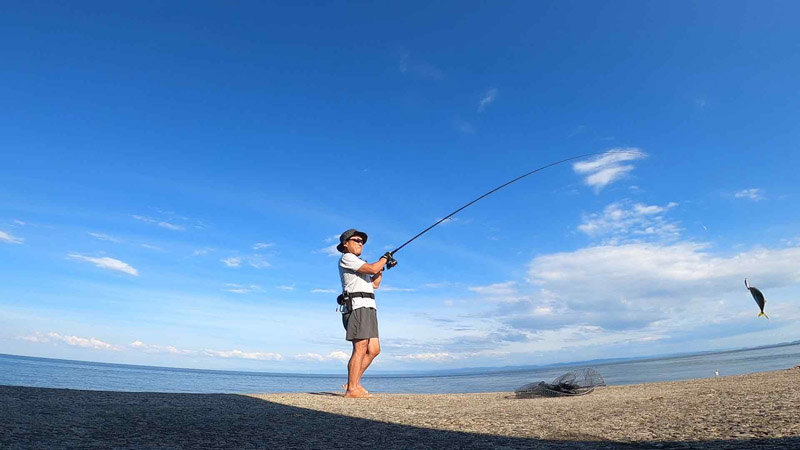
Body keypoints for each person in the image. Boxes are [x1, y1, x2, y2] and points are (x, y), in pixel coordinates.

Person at [337, 228, 393, 398]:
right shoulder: (347, 258)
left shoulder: (361, 263)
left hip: (369, 306)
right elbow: (370, 269)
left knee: (374, 349)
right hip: (357, 306)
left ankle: (353, 382)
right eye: (356, 240)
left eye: (362, 241)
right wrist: (383, 259)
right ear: (346, 244)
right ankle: (351, 389)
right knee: (360, 347)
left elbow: (375, 284)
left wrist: (381, 268)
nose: (360, 243)